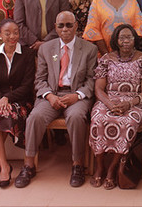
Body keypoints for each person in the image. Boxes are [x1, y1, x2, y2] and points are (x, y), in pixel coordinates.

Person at [14, 11, 97, 188]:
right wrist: (50, 96)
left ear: (76, 26)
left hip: (76, 95)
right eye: (61, 25)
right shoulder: (46, 48)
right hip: (51, 94)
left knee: (76, 118)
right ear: (56, 28)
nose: (65, 29)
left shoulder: (89, 49)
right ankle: (29, 165)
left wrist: (78, 96)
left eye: (69, 25)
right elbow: (40, 79)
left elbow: (91, 80)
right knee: (34, 117)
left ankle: (77, 165)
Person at [89, 24, 142, 190]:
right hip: (108, 100)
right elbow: (98, 88)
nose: (126, 41)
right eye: (122, 38)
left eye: (129, 37)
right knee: (98, 118)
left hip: (135, 101)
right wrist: (110, 104)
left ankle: (112, 169)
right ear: (116, 40)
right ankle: (100, 166)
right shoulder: (106, 59)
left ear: (135, 40)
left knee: (127, 122)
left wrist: (129, 104)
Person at [0, 19, 36, 188]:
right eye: (7, 33)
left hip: (21, 100)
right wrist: (0, 100)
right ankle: (5, 165)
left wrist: (8, 98)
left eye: (15, 32)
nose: (12, 36)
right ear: (0, 35)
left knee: (1, 114)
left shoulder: (27, 54)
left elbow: (27, 86)